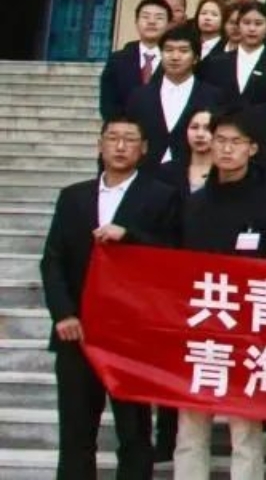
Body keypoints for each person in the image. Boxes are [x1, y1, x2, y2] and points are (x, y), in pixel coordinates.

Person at [41, 116, 181, 480]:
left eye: (129, 139)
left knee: (134, 433)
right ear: (100, 145)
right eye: (113, 138)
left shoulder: (161, 196)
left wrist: (130, 236)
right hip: (78, 331)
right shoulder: (73, 196)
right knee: (76, 432)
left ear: (144, 148)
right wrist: (64, 314)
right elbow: (53, 260)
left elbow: (173, 256)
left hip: (131, 334)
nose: (120, 146)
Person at [173, 109, 266, 480]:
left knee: (246, 431)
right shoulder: (194, 203)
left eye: (235, 142)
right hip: (199, 326)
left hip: (248, 327)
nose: (226, 149)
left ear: (252, 148)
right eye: (220, 141)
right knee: (190, 428)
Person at [125, 23, 219, 178]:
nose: (175, 57)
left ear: (196, 58)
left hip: (192, 176)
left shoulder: (213, 96)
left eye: (183, 51)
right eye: (168, 50)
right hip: (146, 176)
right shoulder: (140, 96)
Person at [100, 0, 172, 120]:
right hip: (125, 129)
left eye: (159, 18)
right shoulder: (117, 60)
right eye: (145, 17)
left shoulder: (176, 59)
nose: (151, 22)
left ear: (169, 24)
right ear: (136, 22)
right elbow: (108, 104)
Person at [198, 1, 266, 107]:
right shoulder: (216, 62)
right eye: (246, 23)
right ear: (238, 25)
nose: (252, 29)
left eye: (258, 24)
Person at [158, 108, 217, 195]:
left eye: (208, 128)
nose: (200, 134)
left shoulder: (226, 172)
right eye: (194, 127)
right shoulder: (166, 171)